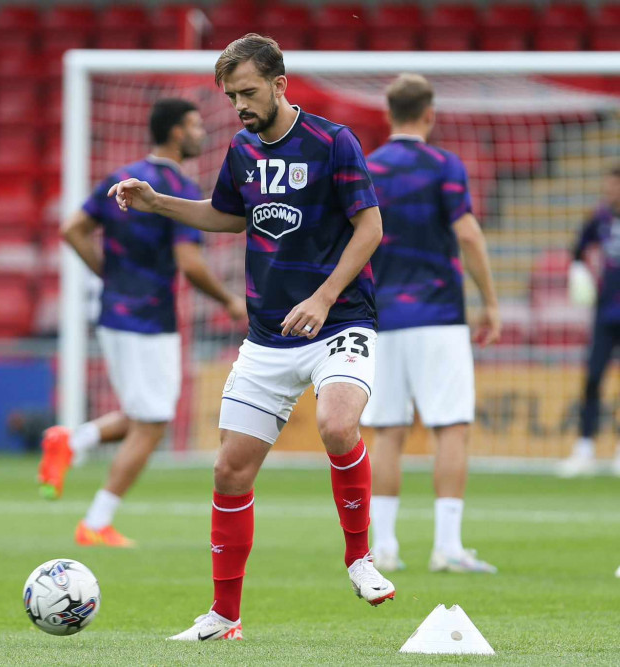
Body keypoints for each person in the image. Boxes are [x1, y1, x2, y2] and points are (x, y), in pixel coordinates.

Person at [108, 35, 394, 641]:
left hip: (338, 319)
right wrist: (158, 202)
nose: (239, 105)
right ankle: (224, 617)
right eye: (231, 95)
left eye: (247, 92)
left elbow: (369, 228)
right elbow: (226, 213)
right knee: (230, 472)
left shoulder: (333, 142)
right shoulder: (241, 150)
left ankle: (360, 558)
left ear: (279, 84)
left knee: (339, 426)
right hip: (268, 336)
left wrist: (322, 298)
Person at [37, 98, 248, 547]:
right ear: (175, 132)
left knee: (145, 412)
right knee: (152, 422)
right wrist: (230, 300)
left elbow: (73, 228)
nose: (200, 134)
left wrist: (108, 275)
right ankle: (96, 522)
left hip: (116, 312)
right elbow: (189, 263)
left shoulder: (122, 177)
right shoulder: (177, 189)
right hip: (148, 318)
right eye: (193, 126)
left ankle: (71, 442)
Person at [360, 74, 501, 575]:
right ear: (429, 113)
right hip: (439, 315)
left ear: (388, 112)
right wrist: (490, 301)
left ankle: (385, 547)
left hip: (381, 318)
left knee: (388, 432)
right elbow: (467, 232)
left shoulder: (367, 167)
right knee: (451, 428)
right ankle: (447, 547)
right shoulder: (445, 165)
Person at [561, 164, 620, 477]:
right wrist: (579, 273)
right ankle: (585, 448)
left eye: (614, 186)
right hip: (606, 313)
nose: (610, 191)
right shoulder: (600, 218)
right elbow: (578, 250)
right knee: (594, 379)